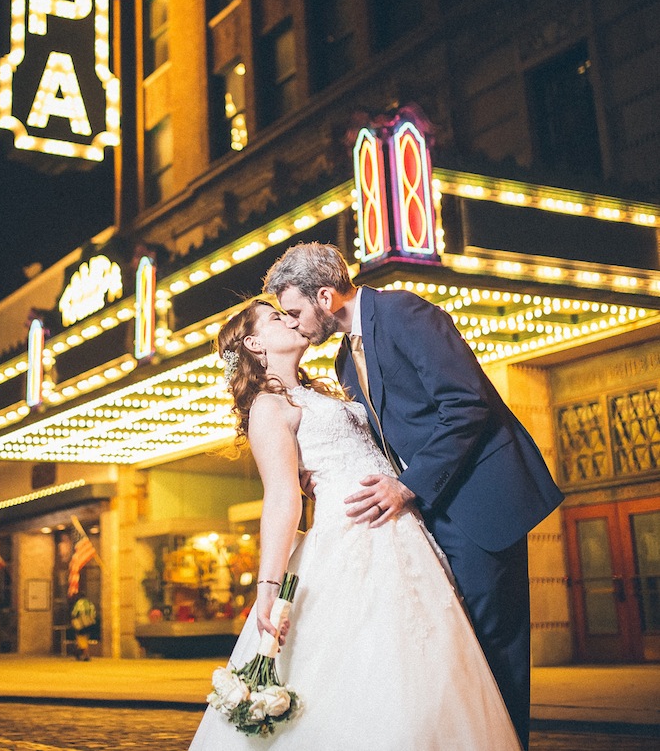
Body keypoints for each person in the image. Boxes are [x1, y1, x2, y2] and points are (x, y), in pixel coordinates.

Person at [264, 243, 564, 749]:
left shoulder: (404, 312)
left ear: (325, 295)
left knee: (495, 647)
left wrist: (406, 485)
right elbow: (386, 438)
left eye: (295, 312)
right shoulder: (342, 361)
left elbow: (467, 405)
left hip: (478, 503)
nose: (295, 325)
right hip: (429, 513)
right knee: (461, 654)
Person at [189, 300, 522, 750]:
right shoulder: (268, 407)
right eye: (275, 318)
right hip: (351, 539)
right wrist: (268, 586)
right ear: (254, 344)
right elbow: (283, 497)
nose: (289, 320)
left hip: (404, 530)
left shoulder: (328, 388)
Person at [70, 595, 96, 661]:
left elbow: (74, 613)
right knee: (85, 639)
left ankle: (85, 654)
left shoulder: (79, 603)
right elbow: (94, 614)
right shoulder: (90, 603)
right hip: (90, 623)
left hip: (80, 624)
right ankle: (83, 654)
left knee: (81, 638)